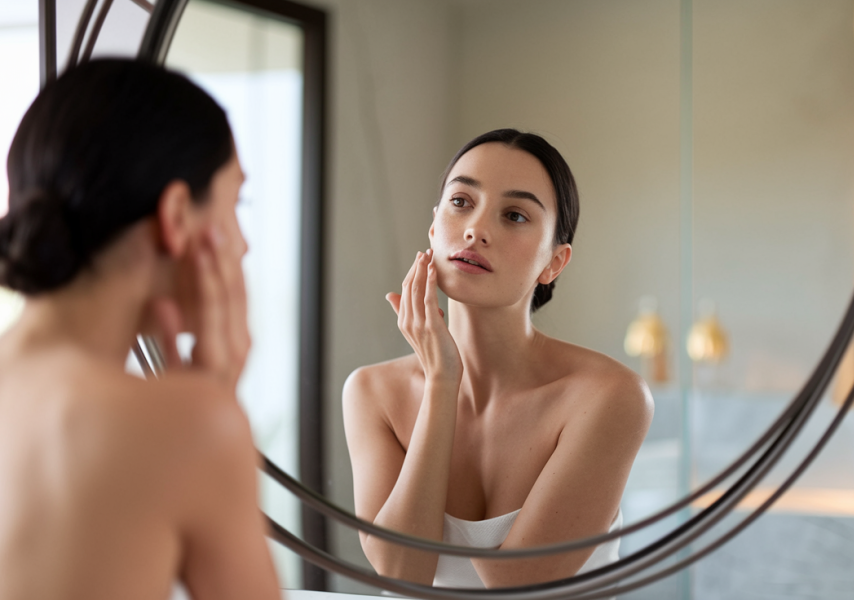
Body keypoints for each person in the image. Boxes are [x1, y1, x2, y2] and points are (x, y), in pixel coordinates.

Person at [0, 59, 279, 600]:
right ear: (176, 215)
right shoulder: (186, 424)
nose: (242, 243)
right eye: (235, 203)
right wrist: (213, 404)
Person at [343, 129, 654, 588]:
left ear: (555, 262)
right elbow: (402, 572)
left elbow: (519, 587)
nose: (476, 229)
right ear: (434, 229)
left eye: (514, 214)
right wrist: (441, 385)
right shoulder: (371, 392)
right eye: (462, 202)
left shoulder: (610, 396)